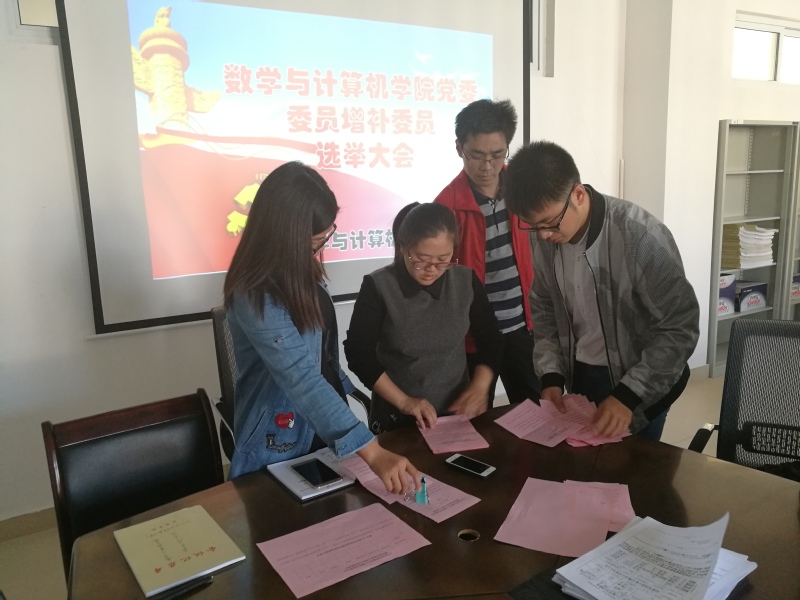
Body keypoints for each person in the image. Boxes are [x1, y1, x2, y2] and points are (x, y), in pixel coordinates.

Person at [223, 161, 421, 494]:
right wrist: (371, 451)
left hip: (325, 429)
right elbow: (301, 377)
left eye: (324, 238)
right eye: (315, 242)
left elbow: (322, 357)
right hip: (280, 440)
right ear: (285, 236)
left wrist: (381, 401)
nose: (319, 249)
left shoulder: (301, 269)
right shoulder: (254, 293)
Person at [504, 141, 700, 441]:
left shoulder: (640, 236)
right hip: (582, 375)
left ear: (578, 195)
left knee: (637, 466)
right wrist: (551, 376)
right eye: (532, 226)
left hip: (643, 384)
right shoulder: (544, 235)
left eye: (549, 223)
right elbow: (544, 305)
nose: (542, 235)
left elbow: (679, 328)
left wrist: (628, 395)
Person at [344, 202, 504, 434]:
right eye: (422, 259)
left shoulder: (465, 281)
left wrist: (480, 387)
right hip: (398, 417)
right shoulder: (379, 286)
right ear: (403, 248)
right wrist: (404, 402)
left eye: (443, 259)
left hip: (456, 415)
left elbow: (491, 338)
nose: (432, 268)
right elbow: (359, 354)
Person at [434, 99, 541, 406]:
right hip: (474, 337)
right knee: (473, 417)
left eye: (497, 155)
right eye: (477, 155)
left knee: (536, 411)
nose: (487, 166)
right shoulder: (446, 207)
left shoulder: (525, 191)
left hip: (524, 327)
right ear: (459, 148)